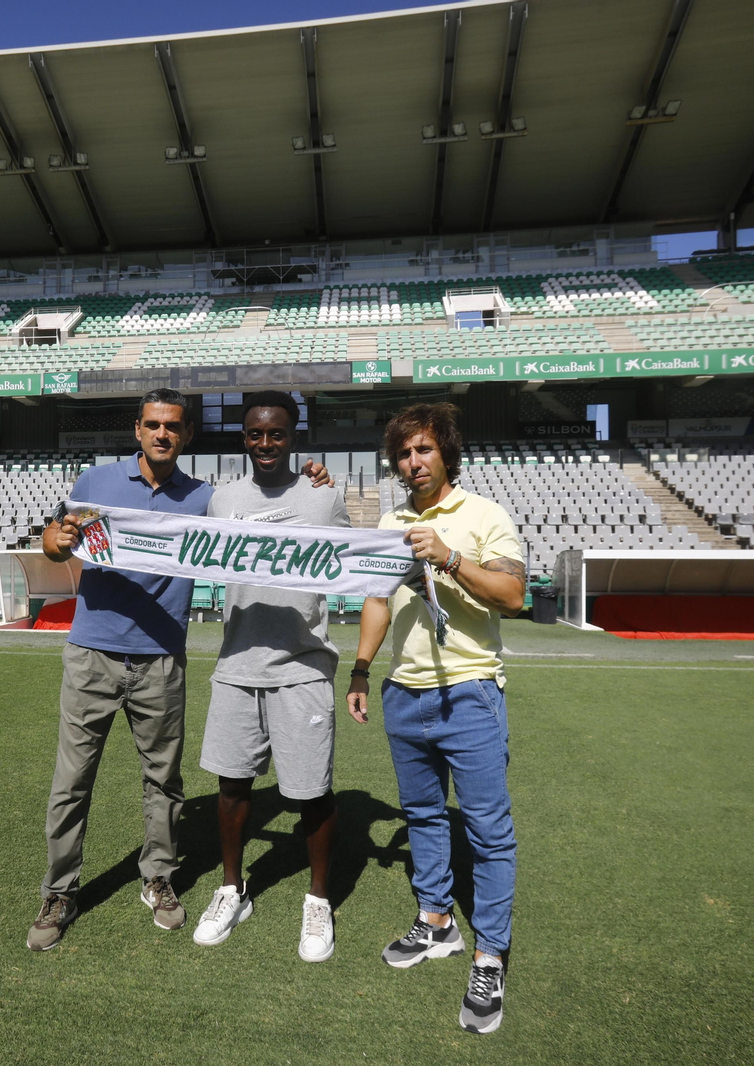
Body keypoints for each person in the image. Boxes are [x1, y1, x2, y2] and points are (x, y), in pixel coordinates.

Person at [28, 389, 328, 952]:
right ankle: (59, 890)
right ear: (136, 429)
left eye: (173, 427)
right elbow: (55, 540)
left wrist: (314, 476)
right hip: (92, 653)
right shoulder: (94, 483)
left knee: (163, 780)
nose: (162, 434)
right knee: (72, 781)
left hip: (163, 658)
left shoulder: (206, 500)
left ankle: (158, 878)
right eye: (152, 425)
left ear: (187, 435)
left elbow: (261, 517)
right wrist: (56, 541)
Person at [344, 403, 526, 1034]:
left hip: (470, 692)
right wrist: (362, 669)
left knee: (486, 831)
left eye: (423, 450)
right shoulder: (391, 521)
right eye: (402, 453)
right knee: (422, 815)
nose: (411, 462)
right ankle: (438, 920)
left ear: (447, 451)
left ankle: (490, 954)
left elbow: (513, 595)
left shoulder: (483, 516)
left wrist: (449, 558)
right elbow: (376, 600)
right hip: (405, 692)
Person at [191, 391, 349, 962]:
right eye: (255, 434)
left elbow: (354, 559)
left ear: (293, 436)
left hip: (304, 667)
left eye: (276, 434)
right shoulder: (221, 499)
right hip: (236, 664)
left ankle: (318, 901)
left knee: (310, 791)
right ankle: (233, 888)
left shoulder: (324, 495)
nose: (265, 444)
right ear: (244, 437)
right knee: (232, 784)